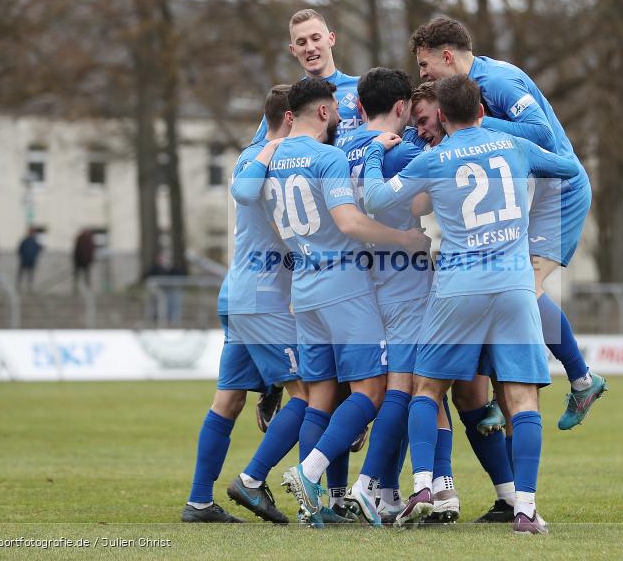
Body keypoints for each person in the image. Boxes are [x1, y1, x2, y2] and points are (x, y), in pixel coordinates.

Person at [363, 74, 579, 534]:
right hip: (514, 287)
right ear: (482, 110)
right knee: (522, 399)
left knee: (427, 389)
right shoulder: (510, 145)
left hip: (458, 287)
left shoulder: (434, 158)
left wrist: (374, 152)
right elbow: (566, 167)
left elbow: (377, 199)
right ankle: (524, 509)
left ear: (441, 115)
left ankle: (423, 484)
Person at [233, 78, 430, 527]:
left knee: (320, 395)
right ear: (322, 112)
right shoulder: (329, 157)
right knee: (372, 389)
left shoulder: (267, 158)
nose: (342, 119)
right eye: (336, 112)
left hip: (302, 288)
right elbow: (350, 221)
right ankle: (309, 472)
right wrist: (405, 238)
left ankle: (314, 505)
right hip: (343, 284)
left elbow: (245, 196)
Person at [409, 18, 606, 436]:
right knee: (503, 286)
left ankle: (582, 380)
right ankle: (508, 394)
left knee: (524, 286)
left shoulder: (496, 81)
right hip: (531, 189)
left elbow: (540, 134)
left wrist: (475, 125)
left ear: (447, 57)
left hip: (559, 188)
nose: (423, 74)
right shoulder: (471, 86)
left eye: (426, 65)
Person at [335, 68, 455, 524]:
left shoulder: (337, 151)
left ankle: (385, 488)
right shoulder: (403, 151)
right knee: (416, 390)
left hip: (360, 285)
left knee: (381, 391)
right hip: (407, 283)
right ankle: (380, 486)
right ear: (402, 107)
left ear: (359, 106)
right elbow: (420, 201)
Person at [183, 85, 307, 524]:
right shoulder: (273, 159)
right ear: (293, 118)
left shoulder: (254, 153)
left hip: (239, 292)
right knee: (312, 396)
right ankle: (253, 481)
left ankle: (199, 502)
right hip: (264, 296)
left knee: (228, 401)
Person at [251, 9, 362, 144]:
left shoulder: (360, 89)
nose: (309, 48)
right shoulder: (285, 99)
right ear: (293, 50)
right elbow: (254, 153)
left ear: (331, 39)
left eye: (316, 38)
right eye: (301, 43)